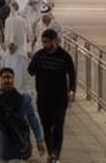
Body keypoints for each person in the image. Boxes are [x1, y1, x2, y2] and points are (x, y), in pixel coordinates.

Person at [0, 67, 46, 163]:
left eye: (9, 77)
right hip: (0, 145)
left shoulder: (24, 99)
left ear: (13, 79)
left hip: (19, 144)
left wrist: (39, 139)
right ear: (0, 79)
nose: (7, 80)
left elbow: (33, 120)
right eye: (4, 77)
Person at [28, 28, 75, 163]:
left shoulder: (64, 56)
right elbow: (31, 71)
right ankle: (50, 152)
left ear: (55, 41)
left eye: (47, 42)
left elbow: (72, 75)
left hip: (59, 98)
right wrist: (32, 60)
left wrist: (72, 91)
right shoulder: (39, 55)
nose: (44, 45)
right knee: (46, 127)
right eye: (43, 42)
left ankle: (56, 153)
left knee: (58, 126)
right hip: (43, 98)